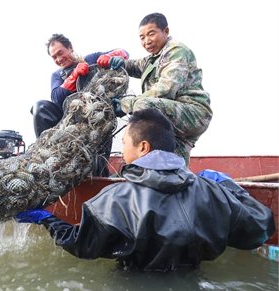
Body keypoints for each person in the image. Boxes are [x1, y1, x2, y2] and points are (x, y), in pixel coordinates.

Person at [16, 108, 275, 272]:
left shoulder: (113, 200)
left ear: (143, 147)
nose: (122, 151)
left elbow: (80, 244)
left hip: (131, 283)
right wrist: (226, 185)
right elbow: (261, 227)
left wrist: (47, 219)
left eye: (124, 143)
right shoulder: (212, 192)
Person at [104, 12, 212, 165]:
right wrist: (122, 63)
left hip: (193, 113)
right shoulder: (154, 57)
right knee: (174, 161)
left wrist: (126, 104)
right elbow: (136, 66)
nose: (147, 41)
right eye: (142, 37)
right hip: (174, 114)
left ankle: (139, 162)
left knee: (144, 106)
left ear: (166, 31)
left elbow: (166, 89)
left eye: (151, 34)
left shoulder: (176, 51)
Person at [31, 33, 129, 176]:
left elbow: (124, 52)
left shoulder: (90, 59)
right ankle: (46, 158)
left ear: (70, 48)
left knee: (96, 167)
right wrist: (74, 76)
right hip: (66, 123)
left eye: (60, 53)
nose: (59, 59)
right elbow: (56, 97)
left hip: (95, 122)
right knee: (40, 107)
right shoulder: (57, 75)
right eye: (54, 57)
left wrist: (111, 56)